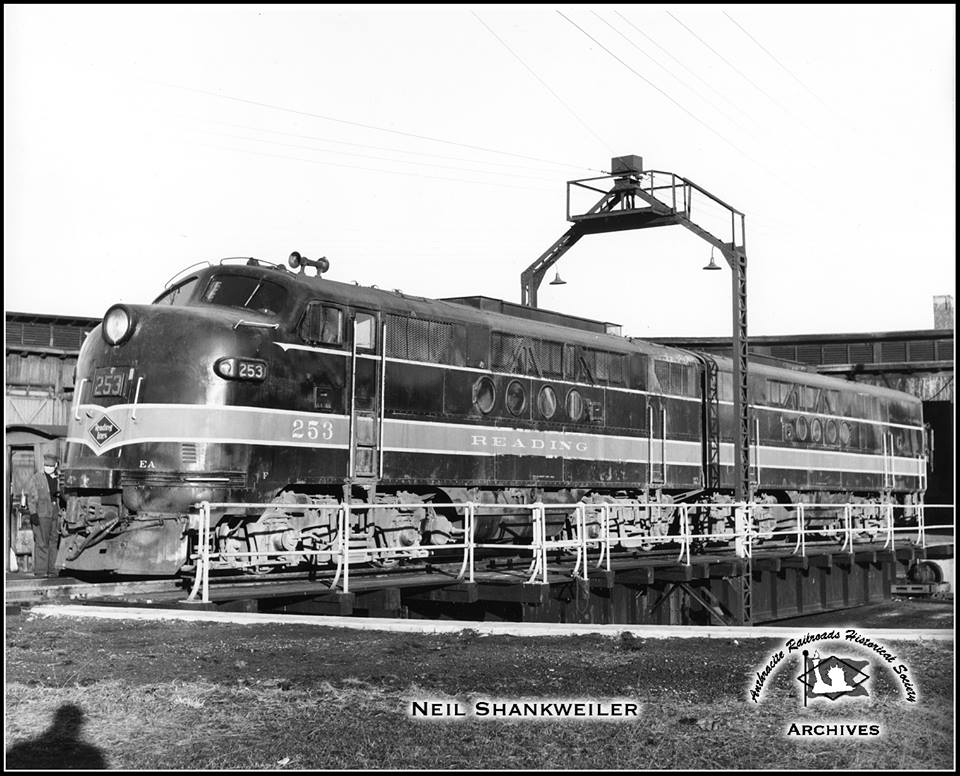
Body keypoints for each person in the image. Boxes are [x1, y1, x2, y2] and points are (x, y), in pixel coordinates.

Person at [25, 452, 65, 577]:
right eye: (46, 465)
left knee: (54, 541)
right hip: (41, 514)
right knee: (42, 542)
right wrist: (33, 513)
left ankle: (53, 570)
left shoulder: (59, 479)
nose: (48, 468)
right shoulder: (37, 478)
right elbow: (31, 497)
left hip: (55, 514)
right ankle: (41, 571)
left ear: (56, 465)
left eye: (51, 466)